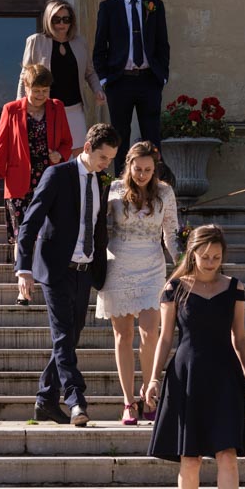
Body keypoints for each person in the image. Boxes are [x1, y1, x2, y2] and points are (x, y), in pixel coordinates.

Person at [143, 225, 245, 489]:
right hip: (187, 375)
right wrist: (153, 378)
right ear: (192, 253)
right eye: (205, 256)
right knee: (190, 457)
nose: (210, 262)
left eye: (217, 257)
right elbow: (165, 338)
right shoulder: (174, 288)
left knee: (227, 455)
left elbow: (239, 338)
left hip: (225, 376)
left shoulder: (234, 288)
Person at [16, 123, 121, 427]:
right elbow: (30, 222)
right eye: (102, 157)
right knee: (63, 335)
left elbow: (99, 227)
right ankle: (76, 400)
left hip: (85, 269)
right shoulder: (57, 175)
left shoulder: (101, 181)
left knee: (69, 339)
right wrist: (23, 269)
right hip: (56, 269)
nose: (106, 165)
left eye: (110, 159)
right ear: (87, 148)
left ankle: (46, 400)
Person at [95, 141, 179, 425]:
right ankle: (128, 401)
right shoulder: (115, 189)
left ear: (155, 169)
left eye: (148, 169)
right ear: (128, 166)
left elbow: (171, 233)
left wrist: (183, 265)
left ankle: (150, 393)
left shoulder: (165, 192)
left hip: (152, 266)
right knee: (123, 336)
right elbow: (95, 223)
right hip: (119, 263)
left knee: (150, 333)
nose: (142, 174)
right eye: (138, 168)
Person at [92, 0, 170, 175]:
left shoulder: (154, 6)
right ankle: (120, 183)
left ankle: (153, 182)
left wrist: (161, 75)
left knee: (152, 135)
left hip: (148, 79)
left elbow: (162, 44)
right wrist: (106, 79)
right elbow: (99, 49)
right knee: (119, 136)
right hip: (120, 81)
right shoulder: (109, 7)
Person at [0, 64, 73, 244]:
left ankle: (43, 272)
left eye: (45, 90)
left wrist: (60, 154)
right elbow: (0, 148)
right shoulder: (11, 110)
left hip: (48, 179)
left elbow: (67, 142)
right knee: (22, 235)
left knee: (47, 234)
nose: (41, 95)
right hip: (19, 182)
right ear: (26, 87)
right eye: (36, 90)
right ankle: (22, 271)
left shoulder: (57, 107)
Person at [17, 0, 106, 148]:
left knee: (79, 154)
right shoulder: (36, 41)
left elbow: (90, 72)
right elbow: (25, 75)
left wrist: (98, 90)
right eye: (56, 20)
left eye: (66, 19)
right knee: (50, 153)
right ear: (48, 20)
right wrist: (20, 103)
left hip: (74, 108)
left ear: (72, 21)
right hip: (45, 108)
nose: (61, 24)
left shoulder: (80, 42)